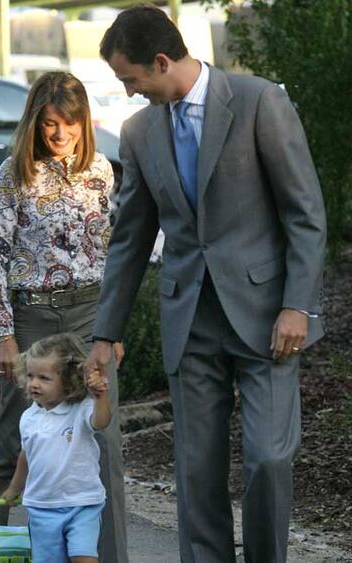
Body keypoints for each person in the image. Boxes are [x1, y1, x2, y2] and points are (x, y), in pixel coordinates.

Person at [85, 6, 327, 563]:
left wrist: (297, 306)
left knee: (268, 458)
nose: (128, 93)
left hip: (267, 318)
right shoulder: (139, 131)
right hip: (188, 320)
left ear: (162, 60)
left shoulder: (259, 101)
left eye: (131, 79)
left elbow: (306, 215)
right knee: (196, 471)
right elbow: (130, 239)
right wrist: (105, 333)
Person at [0, 71, 128, 563]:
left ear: (85, 122)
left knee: (99, 435)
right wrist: (4, 334)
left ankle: (105, 556)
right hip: (31, 320)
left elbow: (113, 256)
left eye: (70, 123)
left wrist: (114, 328)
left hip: (90, 314)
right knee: (13, 434)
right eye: (49, 125)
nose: (61, 134)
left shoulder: (101, 171)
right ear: (35, 124)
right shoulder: (13, 174)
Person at [2, 332, 110, 563]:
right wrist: (14, 489)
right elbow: (26, 455)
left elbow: (101, 422)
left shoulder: (80, 409)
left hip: (82, 502)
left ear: (69, 379)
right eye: (30, 376)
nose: (34, 384)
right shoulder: (29, 417)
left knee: (85, 557)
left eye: (44, 378)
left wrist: (100, 397)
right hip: (42, 506)